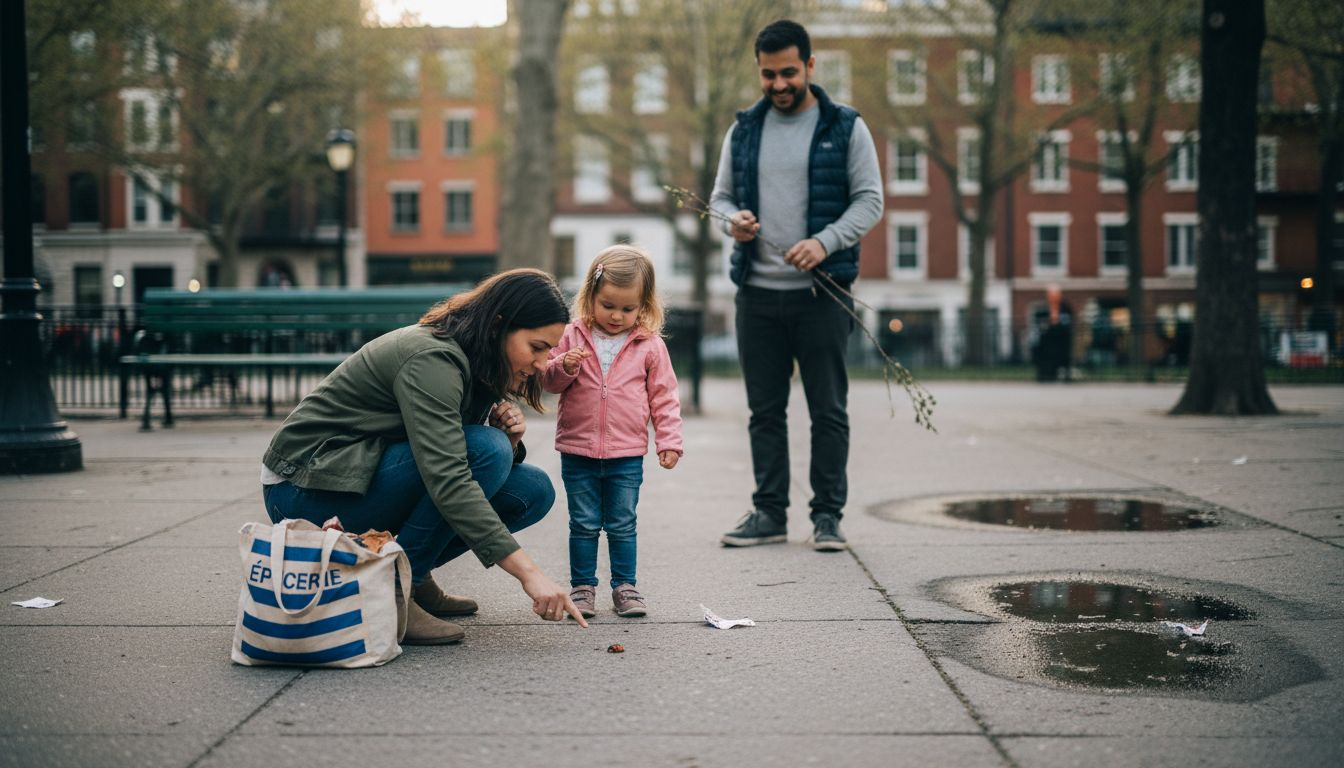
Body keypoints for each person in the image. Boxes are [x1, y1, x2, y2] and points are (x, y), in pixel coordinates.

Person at [260, 269, 589, 645]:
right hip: (301, 488)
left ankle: (414, 573)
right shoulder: (431, 359)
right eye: (537, 347)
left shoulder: (476, 360)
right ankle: (397, 589)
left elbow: (455, 460)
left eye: (549, 350)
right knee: (486, 451)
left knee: (532, 488)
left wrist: (509, 440)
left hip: (353, 473)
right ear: (499, 325)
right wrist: (530, 574)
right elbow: (449, 477)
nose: (543, 363)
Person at [710, 19, 883, 552]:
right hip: (757, 296)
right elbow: (717, 200)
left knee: (828, 410)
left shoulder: (846, 127)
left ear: (810, 66)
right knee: (765, 412)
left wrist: (825, 242)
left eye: (788, 72)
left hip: (822, 297)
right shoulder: (742, 131)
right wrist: (732, 220)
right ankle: (769, 514)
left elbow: (870, 200)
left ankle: (828, 517)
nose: (779, 84)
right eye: (768, 75)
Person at [542, 245, 683, 618]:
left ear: (643, 305)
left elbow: (664, 396)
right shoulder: (571, 336)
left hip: (626, 453)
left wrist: (669, 440)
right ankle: (583, 587)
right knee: (584, 524)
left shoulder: (649, 345)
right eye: (608, 305)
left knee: (623, 524)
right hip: (578, 450)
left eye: (627, 308)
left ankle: (625, 587)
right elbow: (548, 381)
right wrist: (564, 367)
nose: (617, 316)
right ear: (590, 296)